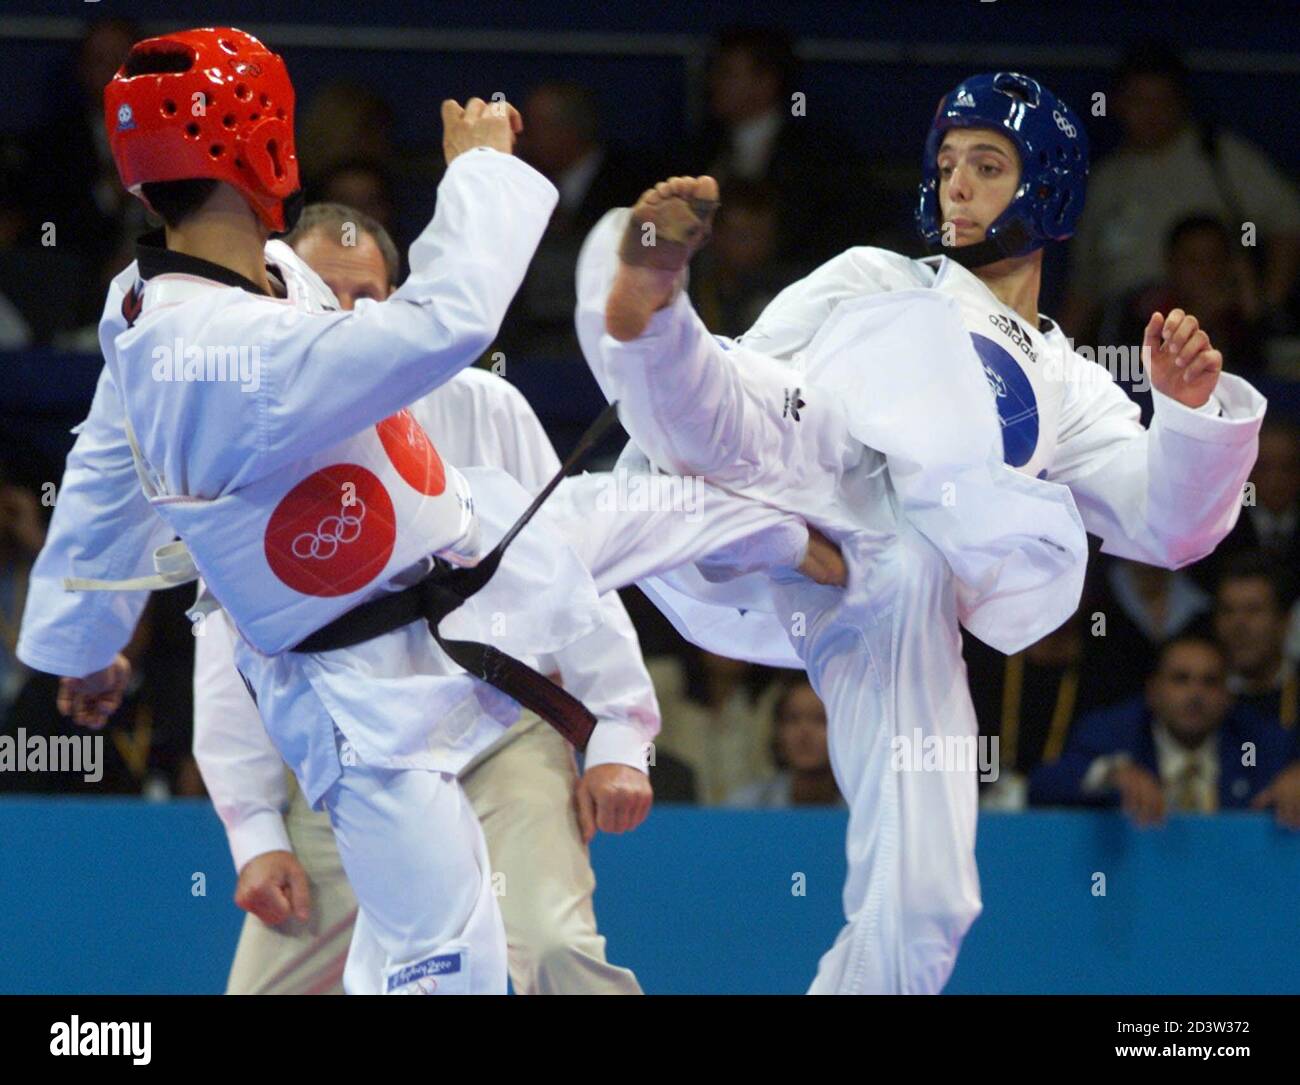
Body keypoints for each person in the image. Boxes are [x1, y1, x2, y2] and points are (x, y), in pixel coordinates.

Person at [18, 28, 842, 995]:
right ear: (262, 149)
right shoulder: (217, 349)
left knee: (656, 511)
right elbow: (442, 324)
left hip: (463, 555)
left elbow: (101, 486)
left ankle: (822, 538)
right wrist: (482, 174)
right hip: (362, 698)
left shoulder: (167, 303)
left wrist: (81, 645)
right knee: (444, 963)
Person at [575, 70, 1264, 994]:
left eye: (987, 164)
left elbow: (1171, 528)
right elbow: (736, 408)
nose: (958, 186)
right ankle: (656, 313)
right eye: (946, 164)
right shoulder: (876, 278)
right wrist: (776, 507)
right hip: (789, 493)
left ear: (1047, 187)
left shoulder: (1068, 382)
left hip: (894, 588)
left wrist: (1186, 415)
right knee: (759, 411)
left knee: (932, 897)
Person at [196, 202, 659, 995]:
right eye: (323, 293)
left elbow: (567, 570)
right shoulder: (249, 436)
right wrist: (255, 830)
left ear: (399, 297)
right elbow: (231, 644)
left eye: (368, 297)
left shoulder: (485, 406)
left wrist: (618, 731)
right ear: (280, 299)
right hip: (346, 759)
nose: (347, 317)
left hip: (497, 743)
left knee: (553, 948)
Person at [1028, 636, 1299, 826]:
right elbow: (1043, 786)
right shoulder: (1113, 733)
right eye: (1181, 680)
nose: (1195, 694)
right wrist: (1110, 773)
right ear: (1153, 691)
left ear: (1228, 695)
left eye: (1210, 682)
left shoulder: (1258, 742)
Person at [725, 676, 843, 808]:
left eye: (820, 720)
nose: (804, 733)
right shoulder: (745, 806)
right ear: (778, 733)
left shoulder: (864, 810)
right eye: (792, 719)